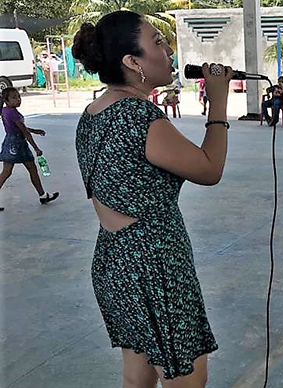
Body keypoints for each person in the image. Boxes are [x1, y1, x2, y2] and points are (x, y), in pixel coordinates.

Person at [72, 11, 230, 386]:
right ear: (132, 63)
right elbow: (209, 170)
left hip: (115, 259)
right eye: (157, 42)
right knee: (187, 380)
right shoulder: (139, 116)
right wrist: (218, 105)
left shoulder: (93, 113)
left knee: (137, 376)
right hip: (154, 263)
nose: (169, 49)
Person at [0, 87, 59, 211]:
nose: (18, 100)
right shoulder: (14, 113)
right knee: (32, 169)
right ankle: (42, 195)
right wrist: (36, 148)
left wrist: (34, 130)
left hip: (9, 143)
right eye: (14, 98)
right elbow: (25, 132)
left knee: (6, 172)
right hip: (19, 144)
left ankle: (43, 195)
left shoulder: (5, 111)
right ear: (6, 100)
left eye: (19, 97)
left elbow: (20, 128)